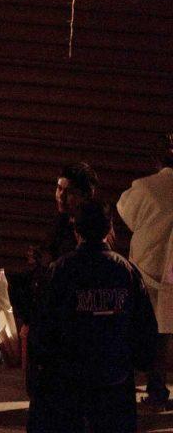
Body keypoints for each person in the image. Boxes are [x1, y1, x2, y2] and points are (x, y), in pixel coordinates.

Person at [28, 199, 159, 433]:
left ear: (76, 230)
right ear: (109, 229)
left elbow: (44, 326)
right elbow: (144, 327)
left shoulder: (61, 269)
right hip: (115, 380)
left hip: (69, 381)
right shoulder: (126, 271)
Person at [115, 135, 173, 409]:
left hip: (147, 267)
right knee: (165, 332)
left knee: (142, 328)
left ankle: (148, 383)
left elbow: (124, 211)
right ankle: (158, 385)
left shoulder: (145, 187)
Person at [9, 162, 101, 327]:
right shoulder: (62, 220)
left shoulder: (94, 229)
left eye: (70, 192)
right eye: (59, 189)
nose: (61, 196)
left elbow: (87, 277)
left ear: (87, 195)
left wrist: (51, 263)